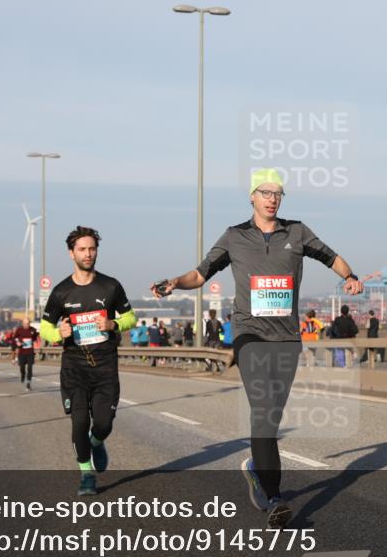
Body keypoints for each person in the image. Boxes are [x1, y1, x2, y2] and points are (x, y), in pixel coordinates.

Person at [151, 167, 363, 529]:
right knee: (263, 411)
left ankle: (255, 469)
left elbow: (332, 257)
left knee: (272, 417)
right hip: (249, 335)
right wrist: (174, 282)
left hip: (287, 339)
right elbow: (200, 274)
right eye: (265, 192)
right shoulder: (235, 236)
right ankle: (276, 497)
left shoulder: (297, 232)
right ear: (252, 196)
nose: (271, 199)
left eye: (277, 193)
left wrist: (350, 276)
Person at [39, 225, 137, 496]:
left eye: (92, 249)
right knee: (80, 422)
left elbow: (131, 318)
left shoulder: (111, 286)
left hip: (105, 366)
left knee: (103, 424)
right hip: (74, 368)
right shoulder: (61, 292)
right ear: (71, 253)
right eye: (82, 249)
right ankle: (86, 475)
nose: (88, 254)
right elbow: (44, 327)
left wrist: (113, 324)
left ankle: (96, 442)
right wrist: (58, 333)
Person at [12, 318, 39, 391]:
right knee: (22, 367)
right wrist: (18, 342)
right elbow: (14, 338)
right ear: (22, 324)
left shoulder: (33, 330)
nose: (26, 325)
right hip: (22, 352)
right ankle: (23, 374)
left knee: (30, 368)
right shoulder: (19, 330)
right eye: (25, 324)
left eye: (28, 324)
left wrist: (35, 341)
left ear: (29, 323)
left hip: (30, 352)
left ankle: (28, 383)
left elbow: (35, 338)